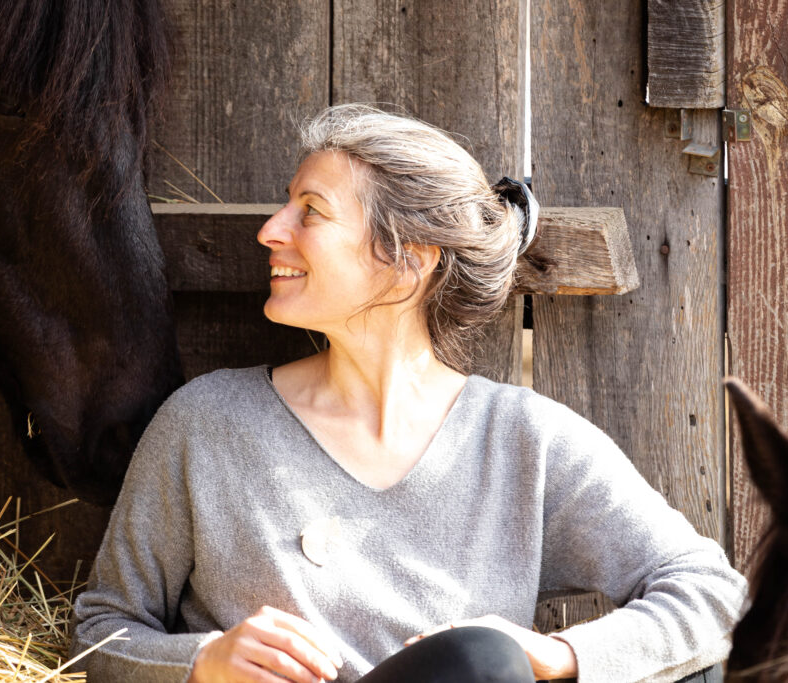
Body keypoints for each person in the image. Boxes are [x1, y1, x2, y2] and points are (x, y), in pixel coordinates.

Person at [70, 104, 747, 683]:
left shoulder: (521, 439)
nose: (270, 230)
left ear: (409, 261)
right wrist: (203, 660)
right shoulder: (207, 422)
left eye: (311, 212)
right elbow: (101, 630)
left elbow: (715, 595)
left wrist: (554, 653)